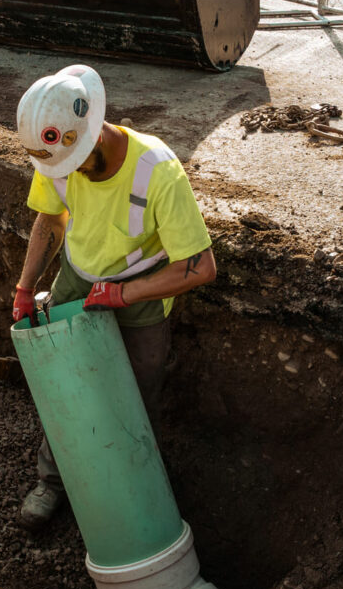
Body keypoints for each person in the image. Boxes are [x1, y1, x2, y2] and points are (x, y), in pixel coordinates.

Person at [12, 63, 217, 531]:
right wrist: (26, 287)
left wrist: (125, 294)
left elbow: (200, 266)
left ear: (93, 136)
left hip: (142, 294)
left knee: (132, 401)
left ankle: (129, 493)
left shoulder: (157, 170)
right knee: (65, 385)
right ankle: (54, 482)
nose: (69, 173)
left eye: (75, 161)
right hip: (77, 278)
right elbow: (49, 221)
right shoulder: (56, 155)